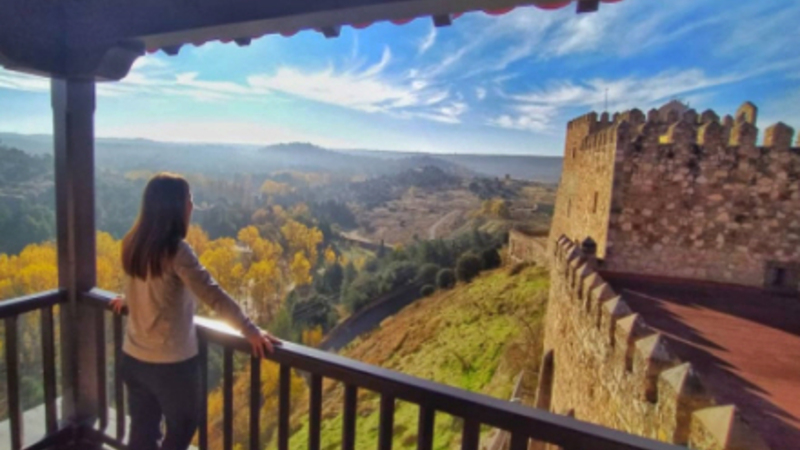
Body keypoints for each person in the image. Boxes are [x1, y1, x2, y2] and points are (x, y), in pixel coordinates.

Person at [110, 172, 280, 450]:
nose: (192, 205)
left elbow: (146, 283)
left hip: (133, 359)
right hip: (171, 365)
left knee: (142, 433)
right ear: (176, 207)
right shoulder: (176, 251)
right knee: (183, 426)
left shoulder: (133, 243)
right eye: (189, 199)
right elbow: (212, 293)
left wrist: (129, 300)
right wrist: (249, 330)